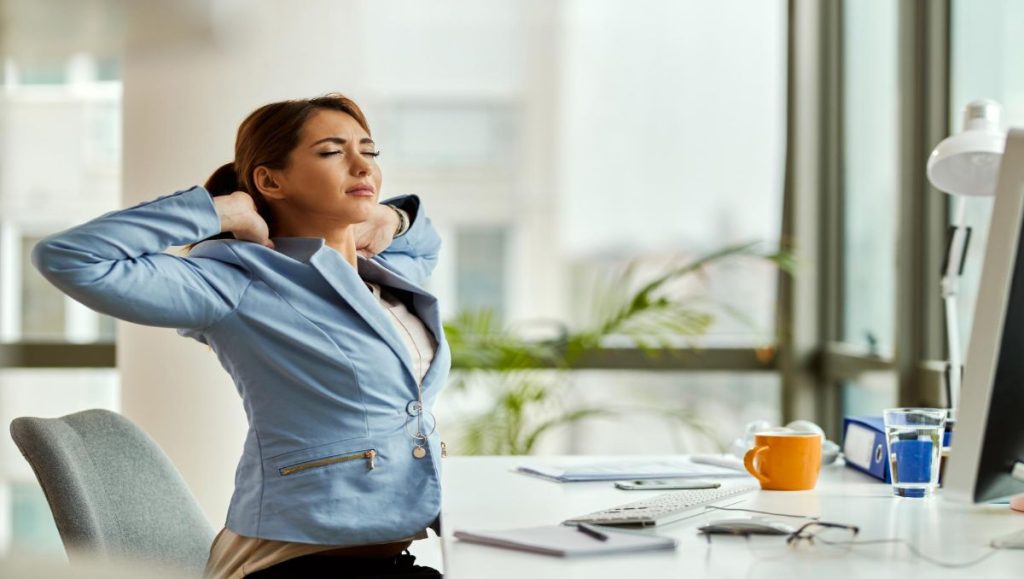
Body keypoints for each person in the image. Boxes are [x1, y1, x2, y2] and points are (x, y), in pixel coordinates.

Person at [32, 93, 449, 578]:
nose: (362, 167)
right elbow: (68, 257)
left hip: (384, 550)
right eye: (333, 152)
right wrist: (219, 212)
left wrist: (392, 219)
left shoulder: (384, 274)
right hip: (296, 560)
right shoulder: (236, 283)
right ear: (270, 180)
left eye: (369, 152)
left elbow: (426, 244)